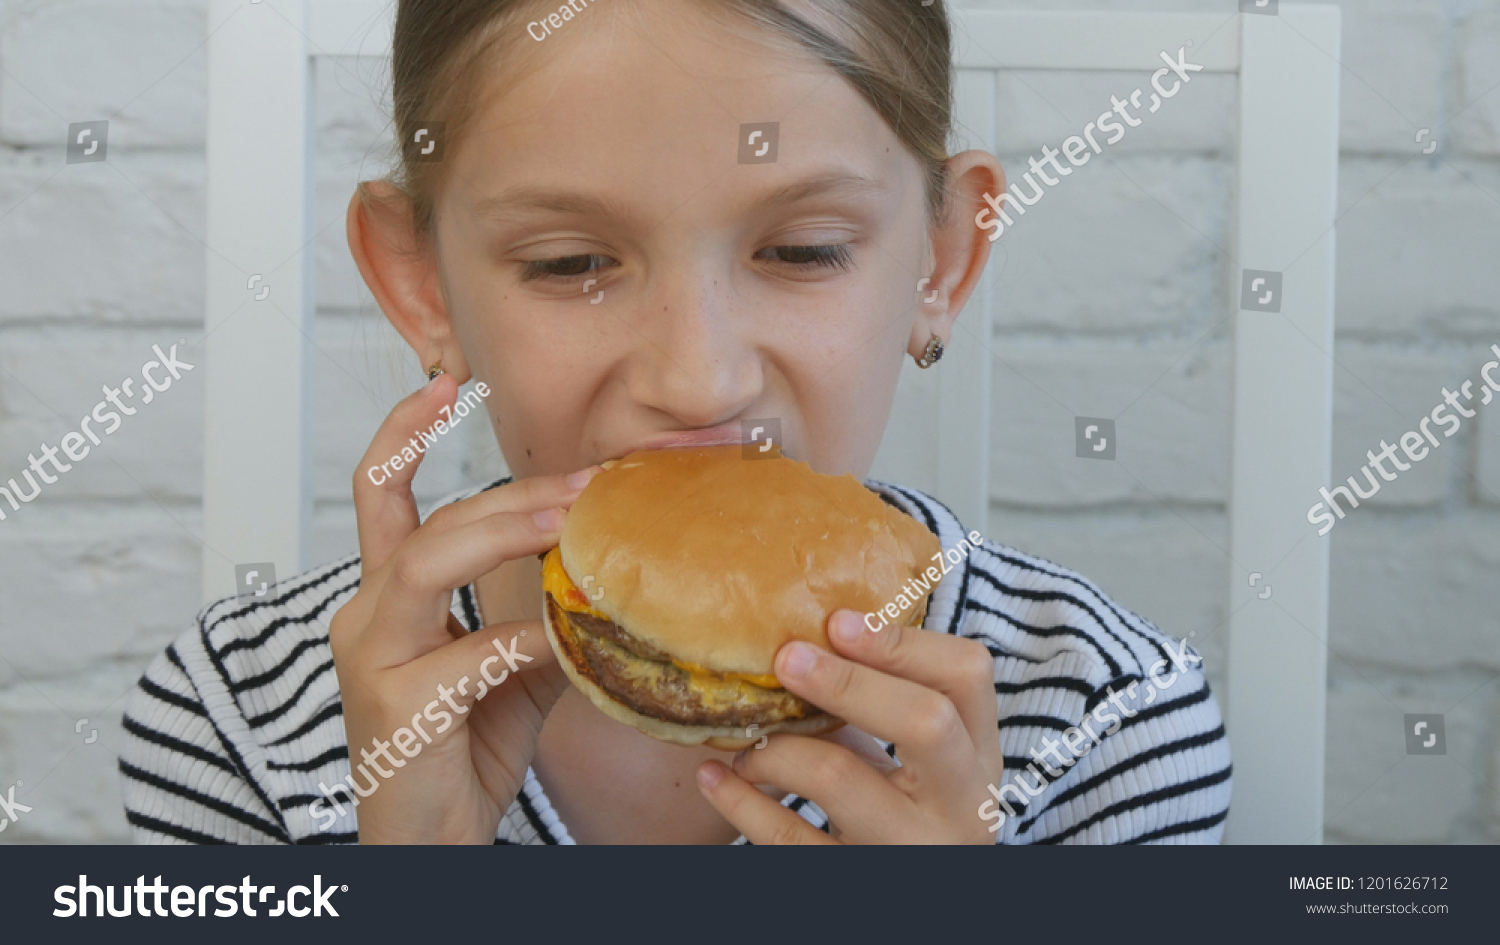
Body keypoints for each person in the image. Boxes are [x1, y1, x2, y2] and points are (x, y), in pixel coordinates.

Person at [120, 0, 1230, 845]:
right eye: (571, 264)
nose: (699, 381)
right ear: (422, 285)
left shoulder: (1109, 723)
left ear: (940, 260)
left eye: (800, 251)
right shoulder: (239, 721)